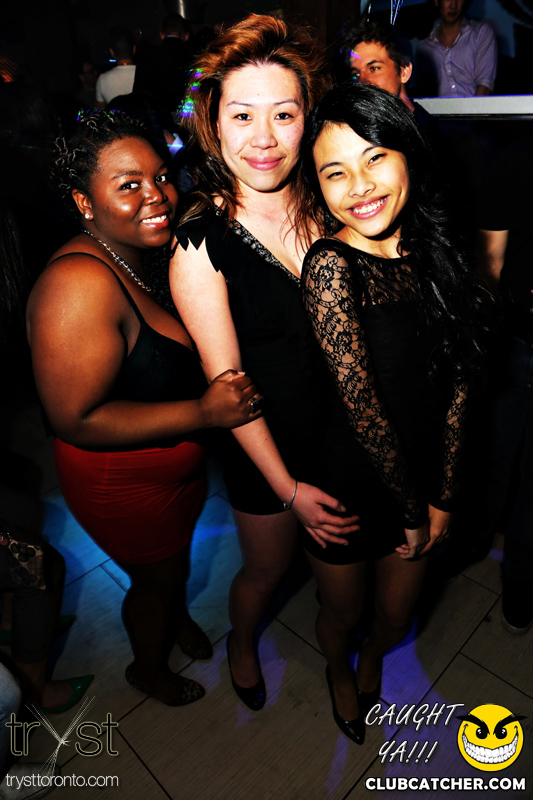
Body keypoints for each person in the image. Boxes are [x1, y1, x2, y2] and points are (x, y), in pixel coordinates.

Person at [26, 111, 261, 706]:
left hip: (173, 474)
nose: (157, 195)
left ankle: (174, 613)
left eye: (160, 177)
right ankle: (149, 668)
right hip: (123, 484)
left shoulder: (136, 249)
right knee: (156, 580)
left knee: (174, 569)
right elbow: (74, 418)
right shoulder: (76, 286)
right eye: (128, 184)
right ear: (84, 202)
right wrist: (205, 414)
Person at [170, 15, 359, 716]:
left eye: (283, 114)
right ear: (213, 123)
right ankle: (243, 642)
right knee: (266, 570)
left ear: (308, 118)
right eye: (242, 115)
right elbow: (229, 389)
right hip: (266, 450)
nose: (264, 138)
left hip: (342, 435)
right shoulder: (201, 244)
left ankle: (340, 666)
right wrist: (288, 490)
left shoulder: (333, 202)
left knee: (346, 587)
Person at [298, 82, 489, 742]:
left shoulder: (439, 248)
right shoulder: (330, 266)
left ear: (406, 152)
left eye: (374, 157)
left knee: (395, 617)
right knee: (340, 612)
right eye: (334, 171)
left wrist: (444, 494)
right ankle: (337, 668)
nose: (359, 185)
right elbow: (363, 411)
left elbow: (461, 379)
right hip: (349, 485)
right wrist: (411, 510)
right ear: (317, 185)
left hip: (422, 479)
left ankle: (373, 657)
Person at [477, 133, 533, 634]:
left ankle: (519, 575)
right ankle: (464, 543)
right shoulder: (517, 157)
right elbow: (491, 260)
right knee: (492, 455)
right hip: (517, 337)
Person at [417, 0, 497, 97]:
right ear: (436, 1)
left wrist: (472, 107)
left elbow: (485, 84)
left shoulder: (480, 33)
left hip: (475, 105)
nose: (453, 5)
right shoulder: (425, 48)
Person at [96, 28, 136, 108]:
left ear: (112, 52)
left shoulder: (102, 80)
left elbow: (99, 110)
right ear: (134, 49)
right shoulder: (148, 73)